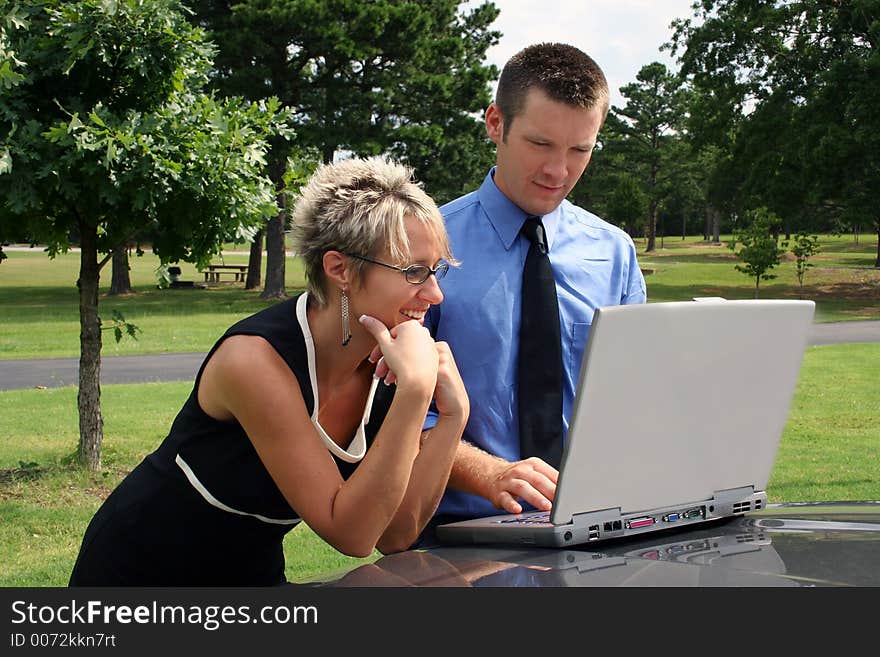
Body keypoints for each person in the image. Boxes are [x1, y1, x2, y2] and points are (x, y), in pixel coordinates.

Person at [69, 157, 469, 586]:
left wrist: (452, 416)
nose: (435, 293)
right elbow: (350, 533)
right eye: (414, 272)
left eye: (437, 270)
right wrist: (415, 392)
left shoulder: (386, 363)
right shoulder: (254, 361)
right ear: (340, 270)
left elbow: (395, 534)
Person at [421, 43, 646, 536]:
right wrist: (491, 475)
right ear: (496, 123)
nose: (558, 171)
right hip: (460, 539)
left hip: (598, 531)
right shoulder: (423, 247)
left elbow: (635, 400)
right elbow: (390, 415)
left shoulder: (615, 253)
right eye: (541, 144)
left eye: (579, 150)